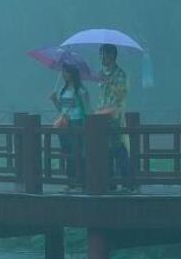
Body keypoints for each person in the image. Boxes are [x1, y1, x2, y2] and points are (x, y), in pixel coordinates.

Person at [96, 43, 134, 191]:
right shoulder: (101, 74)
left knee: (119, 149)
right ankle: (109, 183)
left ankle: (127, 183)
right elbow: (101, 98)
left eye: (103, 54)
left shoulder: (120, 74)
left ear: (112, 55)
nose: (101, 58)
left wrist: (110, 84)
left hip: (114, 117)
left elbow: (119, 97)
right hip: (101, 118)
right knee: (105, 151)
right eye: (100, 54)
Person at [49, 63, 90, 191]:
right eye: (63, 71)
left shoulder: (80, 91)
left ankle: (80, 181)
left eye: (66, 72)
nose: (63, 74)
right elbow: (61, 109)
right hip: (64, 123)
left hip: (76, 123)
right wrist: (55, 100)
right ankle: (70, 181)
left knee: (77, 152)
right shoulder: (63, 90)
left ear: (72, 73)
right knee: (67, 152)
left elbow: (87, 109)